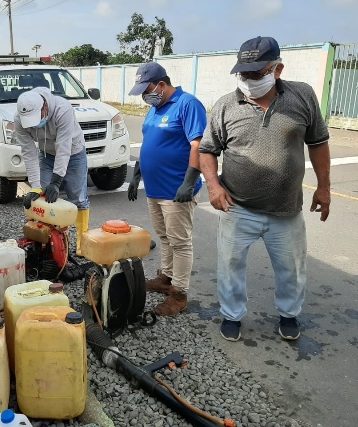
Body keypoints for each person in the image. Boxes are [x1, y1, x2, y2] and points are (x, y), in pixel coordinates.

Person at [199, 36, 331, 342]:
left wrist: (324, 187)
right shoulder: (226, 105)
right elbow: (207, 150)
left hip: (286, 210)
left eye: (256, 74)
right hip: (237, 207)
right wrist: (214, 186)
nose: (247, 80)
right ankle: (232, 315)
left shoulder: (302, 96)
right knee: (230, 267)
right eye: (242, 73)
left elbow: (318, 143)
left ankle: (289, 314)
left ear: (277, 69)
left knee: (291, 269)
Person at [127, 62, 207, 317]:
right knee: (164, 237)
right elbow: (149, 142)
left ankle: (179, 294)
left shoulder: (187, 104)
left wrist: (189, 182)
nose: (144, 96)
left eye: (146, 90)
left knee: (180, 242)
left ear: (161, 84)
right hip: (155, 189)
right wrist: (136, 175)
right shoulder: (155, 108)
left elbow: (198, 145)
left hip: (176, 189)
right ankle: (166, 277)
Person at [14, 87, 90, 255]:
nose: (34, 124)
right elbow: (29, 153)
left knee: (78, 198)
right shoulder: (19, 120)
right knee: (42, 196)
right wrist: (35, 186)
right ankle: (50, 242)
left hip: (74, 153)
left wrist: (56, 181)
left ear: (45, 107)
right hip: (46, 155)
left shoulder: (63, 109)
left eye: (36, 118)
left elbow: (64, 147)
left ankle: (82, 243)